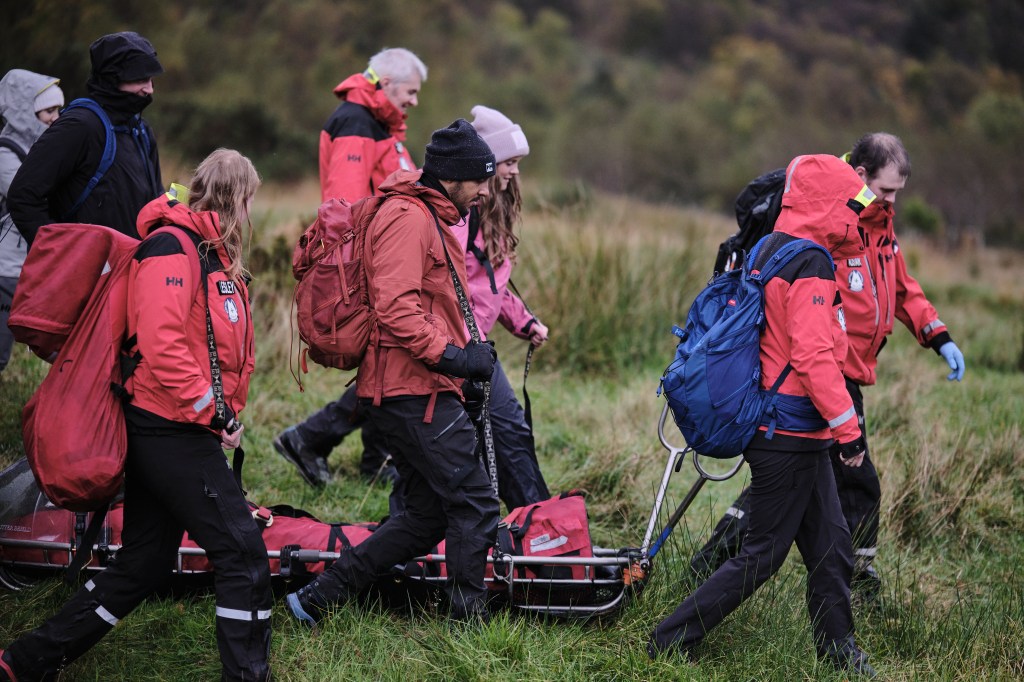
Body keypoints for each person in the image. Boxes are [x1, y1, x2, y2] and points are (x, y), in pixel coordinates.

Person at [0, 149, 272, 682]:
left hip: (181, 425)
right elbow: (162, 343)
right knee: (243, 555)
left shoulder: (217, 258)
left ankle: (27, 661)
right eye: (249, 202)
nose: (250, 214)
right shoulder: (171, 247)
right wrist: (213, 412)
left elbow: (220, 347)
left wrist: (222, 410)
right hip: (167, 427)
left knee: (144, 562)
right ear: (238, 198)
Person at [690, 133, 965, 596]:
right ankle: (857, 579)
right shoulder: (834, 224)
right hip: (824, 371)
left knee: (788, 487)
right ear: (859, 177)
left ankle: (717, 562)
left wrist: (935, 333)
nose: (894, 200)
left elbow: (898, 285)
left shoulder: (880, 223)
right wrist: (842, 418)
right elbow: (809, 331)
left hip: (846, 368)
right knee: (854, 480)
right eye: (888, 190)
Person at [649, 154, 877, 677]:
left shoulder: (770, 245)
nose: (858, 217)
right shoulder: (811, 261)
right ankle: (668, 638)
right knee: (763, 554)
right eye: (853, 206)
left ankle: (839, 651)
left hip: (788, 426)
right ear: (828, 204)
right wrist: (849, 429)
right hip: (789, 429)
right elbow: (813, 356)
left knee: (831, 544)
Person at [286, 119, 500, 624]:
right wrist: (456, 359)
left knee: (426, 517)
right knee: (476, 504)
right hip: (410, 391)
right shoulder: (408, 217)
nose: (486, 191)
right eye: (480, 179)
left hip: (418, 386)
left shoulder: (428, 214)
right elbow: (396, 309)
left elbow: (429, 306)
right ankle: (467, 623)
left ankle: (318, 599)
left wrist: (461, 373)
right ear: (453, 178)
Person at [275, 47, 429, 488]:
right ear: (386, 83)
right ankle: (311, 439)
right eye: (411, 92)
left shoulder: (378, 123)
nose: (415, 101)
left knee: (388, 358)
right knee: (387, 359)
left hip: (383, 257)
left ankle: (376, 462)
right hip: (368, 263)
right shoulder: (355, 123)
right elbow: (343, 207)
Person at [454, 104, 550, 509]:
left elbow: (492, 287)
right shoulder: (458, 217)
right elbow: (447, 285)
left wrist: (524, 323)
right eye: (508, 162)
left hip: (476, 348)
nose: (514, 172)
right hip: (453, 349)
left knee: (511, 431)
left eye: (517, 163)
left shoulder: (494, 214)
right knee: (457, 444)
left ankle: (539, 524)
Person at [8, 31, 163, 243]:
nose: (149, 89)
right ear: (112, 78)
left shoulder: (141, 131)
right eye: (140, 79)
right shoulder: (79, 126)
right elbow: (23, 196)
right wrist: (59, 252)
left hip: (133, 269)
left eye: (151, 79)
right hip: (80, 272)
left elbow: (156, 202)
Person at [0, 69, 63, 376]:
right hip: (6, 267)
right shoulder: (5, 153)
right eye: (48, 111)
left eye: (58, 110)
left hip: (31, 264)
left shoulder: (41, 150)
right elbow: (28, 196)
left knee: (55, 342)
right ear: (26, 112)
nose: (56, 117)